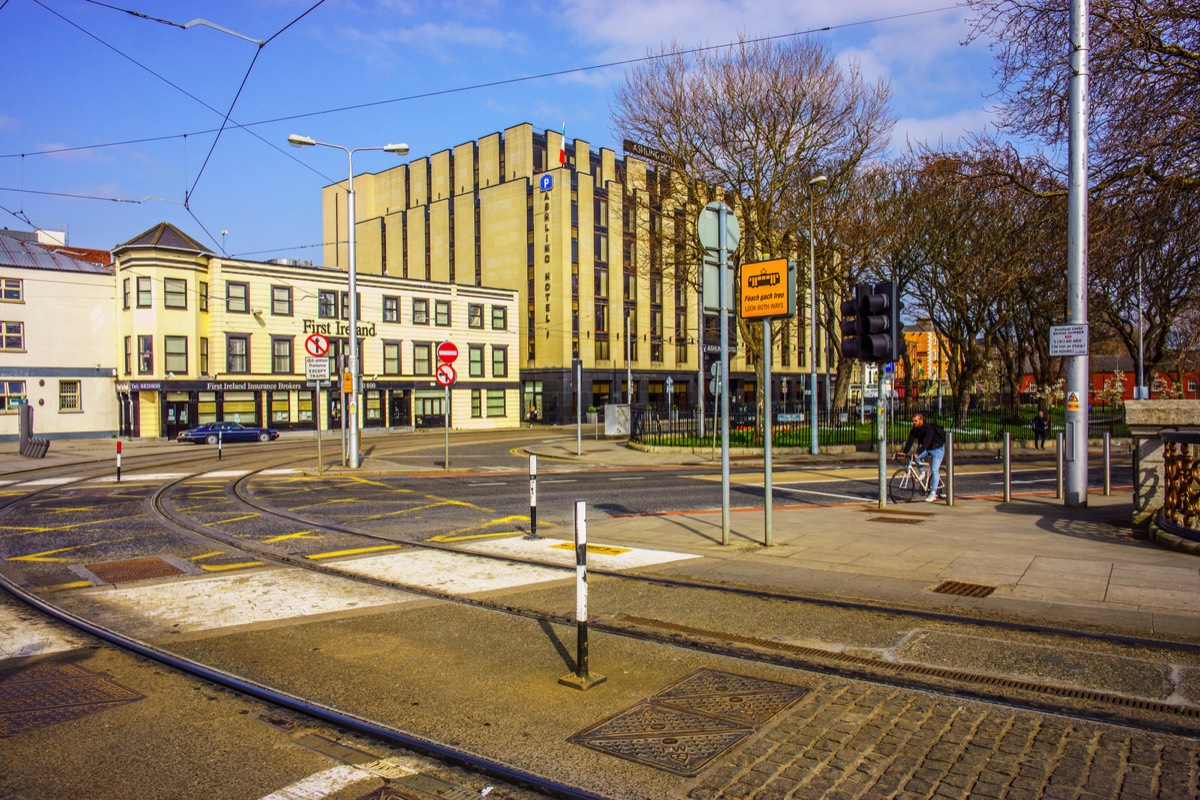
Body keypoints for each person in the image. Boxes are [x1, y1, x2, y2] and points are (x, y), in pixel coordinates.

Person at [896, 412, 947, 502]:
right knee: (914, 456)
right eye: (913, 421)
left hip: (937, 449)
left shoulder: (928, 428)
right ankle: (922, 473)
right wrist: (904, 452)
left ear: (921, 420)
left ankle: (933, 493)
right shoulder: (915, 430)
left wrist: (918, 452)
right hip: (928, 449)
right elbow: (910, 441)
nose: (914, 423)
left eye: (915, 421)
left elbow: (926, 443)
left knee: (935, 470)